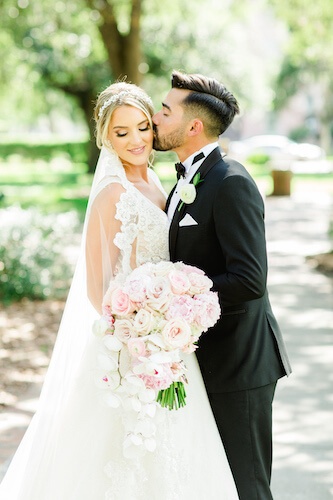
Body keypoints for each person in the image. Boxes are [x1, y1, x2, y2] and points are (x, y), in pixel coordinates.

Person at [0, 82, 239, 499]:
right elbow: (98, 289)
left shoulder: (159, 184)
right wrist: (141, 339)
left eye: (143, 127)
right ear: (106, 137)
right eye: (121, 132)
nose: (136, 140)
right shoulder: (112, 195)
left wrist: (168, 328)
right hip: (130, 350)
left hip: (168, 345)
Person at [153, 70, 292, 500]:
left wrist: (174, 294)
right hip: (202, 358)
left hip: (240, 361)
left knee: (247, 485)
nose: (155, 118)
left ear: (193, 125)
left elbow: (249, 279)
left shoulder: (231, 182)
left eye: (164, 110)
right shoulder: (183, 180)